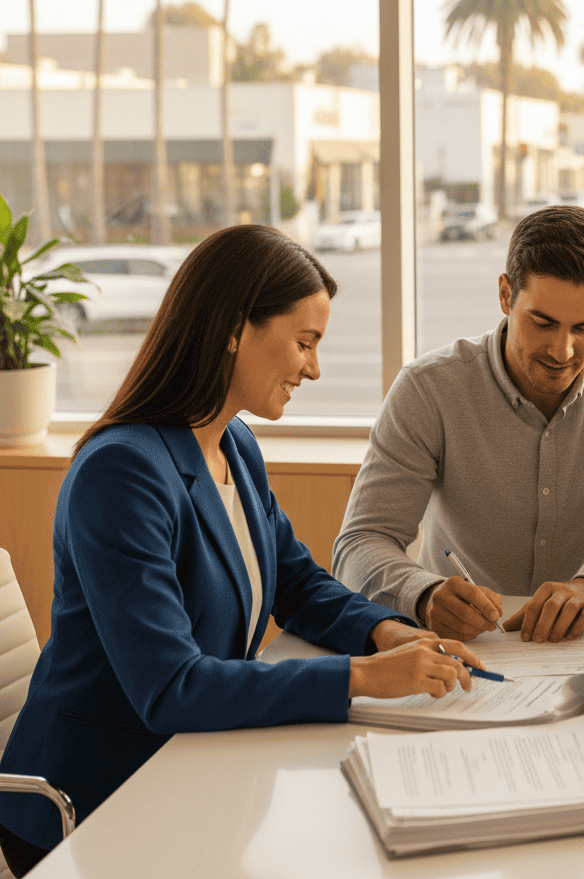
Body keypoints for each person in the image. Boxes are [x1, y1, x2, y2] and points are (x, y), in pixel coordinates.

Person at [0, 225, 483, 874]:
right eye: (305, 342)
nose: (314, 368)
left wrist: (388, 635)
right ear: (233, 328)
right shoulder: (121, 474)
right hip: (94, 805)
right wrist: (363, 679)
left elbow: (298, 584)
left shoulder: (233, 447)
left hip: (191, 769)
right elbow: (171, 687)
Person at [334, 205, 584, 644]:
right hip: (466, 644)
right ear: (506, 296)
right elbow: (360, 543)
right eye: (542, 323)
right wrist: (423, 595)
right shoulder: (429, 388)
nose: (563, 351)